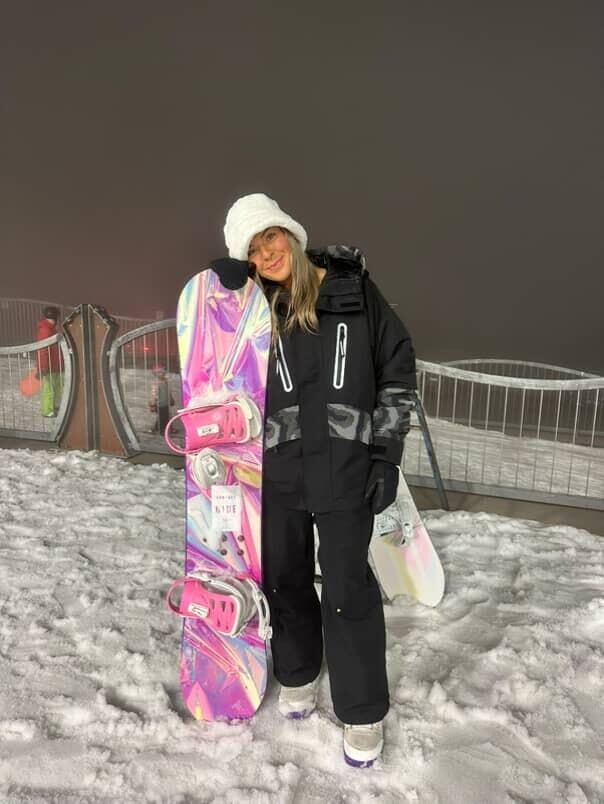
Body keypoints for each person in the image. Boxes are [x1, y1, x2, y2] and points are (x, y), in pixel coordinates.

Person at [219, 193, 416, 767]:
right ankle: (299, 671)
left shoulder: (352, 290)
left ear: (291, 234)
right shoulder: (254, 309)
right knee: (285, 578)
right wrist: (221, 291)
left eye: (271, 237)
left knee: (348, 589)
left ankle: (362, 711)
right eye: (253, 250)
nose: (267, 253)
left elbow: (397, 367)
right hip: (277, 469)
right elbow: (219, 369)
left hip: (344, 467)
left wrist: (386, 455)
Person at [36, 305, 64, 418]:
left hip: (55, 364)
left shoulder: (52, 329)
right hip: (49, 366)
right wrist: (43, 366)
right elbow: (43, 350)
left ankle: (54, 407)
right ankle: (47, 411)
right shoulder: (46, 329)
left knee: (57, 387)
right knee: (48, 389)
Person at [149, 364, 174, 434]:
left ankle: (158, 428)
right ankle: (162, 430)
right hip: (159, 404)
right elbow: (153, 394)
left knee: (166, 416)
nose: (162, 373)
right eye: (159, 372)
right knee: (162, 417)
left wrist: (171, 399)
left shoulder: (166, 381)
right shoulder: (156, 383)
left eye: (163, 371)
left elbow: (168, 391)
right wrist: (152, 404)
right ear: (155, 374)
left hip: (166, 403)